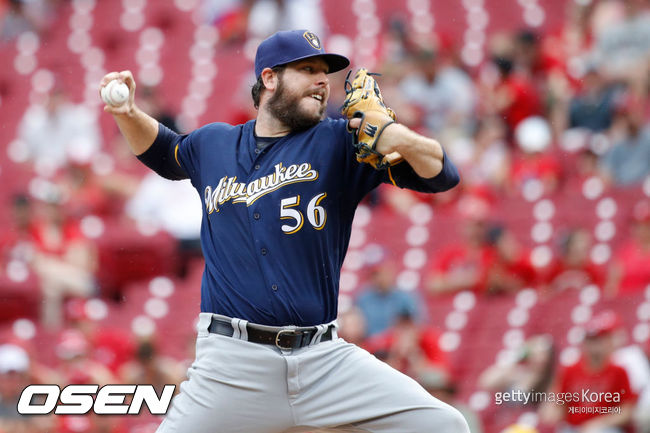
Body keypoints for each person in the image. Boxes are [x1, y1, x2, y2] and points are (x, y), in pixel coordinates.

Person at [100, 29, 468, 433]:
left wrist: (393, 134)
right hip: (231, 367)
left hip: (324, 362)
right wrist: (127, 113)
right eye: (308, 69)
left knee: (442, 424)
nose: (322, 81)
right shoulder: (214, 144)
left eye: (325, 73)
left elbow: (441, 175)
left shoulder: (339, 141)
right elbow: (163, 152)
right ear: (270, 79)